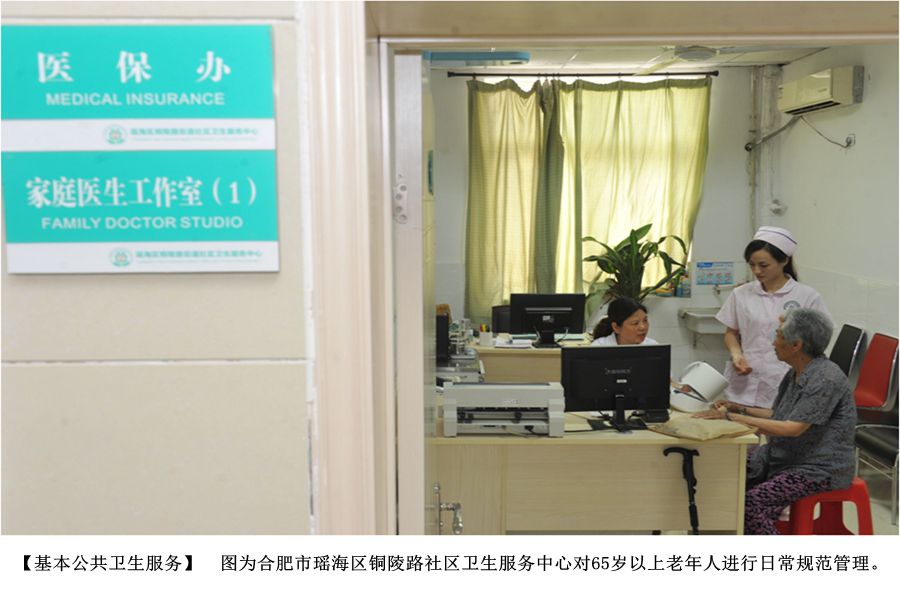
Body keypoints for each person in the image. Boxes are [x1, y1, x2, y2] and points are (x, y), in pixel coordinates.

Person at [694, 308, 856, 535]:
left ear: (796, 344)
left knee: (750, 506)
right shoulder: (796, 372)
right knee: (724, 477)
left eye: (778, 335)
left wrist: (732, 417)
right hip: (783, 458)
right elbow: (779, 415)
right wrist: (738, 407)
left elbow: (792, 428)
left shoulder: (825, 378)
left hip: (817, 469)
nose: (773, 342)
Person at [716, 226, 830, 409]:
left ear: (784, 260)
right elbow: (731, 333)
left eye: (764, 265)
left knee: (775, 422)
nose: (757, 271)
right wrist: (736, 354)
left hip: (784, 377)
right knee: (738, 423)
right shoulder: (741, 294)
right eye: (752, 265)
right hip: (745, 377)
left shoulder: (807, 296)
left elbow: (818, 341)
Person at [591, 297, 658, 346]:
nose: (643, 327)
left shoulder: (653, 346)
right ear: (616, 327)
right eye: (635, 323)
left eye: (645, 320)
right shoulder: (599, 347)